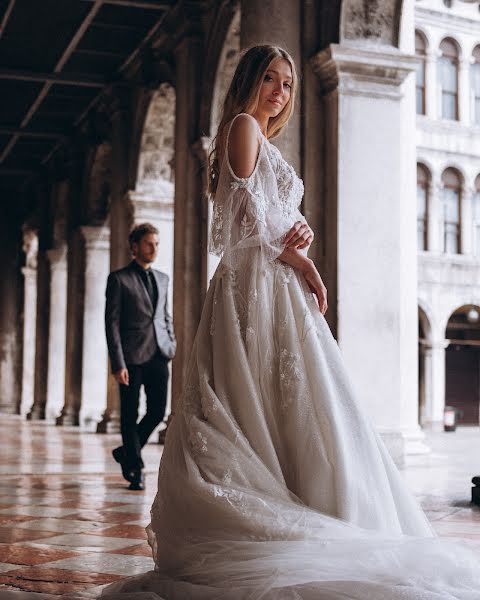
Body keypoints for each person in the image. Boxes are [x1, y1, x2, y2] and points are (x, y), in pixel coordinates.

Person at [102, 46, 480, 598]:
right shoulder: (241, 125)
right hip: (258, 284)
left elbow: (263, 214)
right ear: (249, 81)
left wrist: (298, 235)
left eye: (288, 85)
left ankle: (308, 494)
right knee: (265, 398)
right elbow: (250, 220)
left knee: (294, 400)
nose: (280, 92)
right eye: (271, 79)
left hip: (267, 283)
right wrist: (301, 256)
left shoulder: (257, 135)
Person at [105, 223, 176, 491]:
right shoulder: (119, 279)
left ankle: (126, 451)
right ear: (135, 247)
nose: (154, 248)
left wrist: (171, 342)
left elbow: (165, 316)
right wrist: (117, 362)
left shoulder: (162, 278)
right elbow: (111, 323)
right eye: (149, 243)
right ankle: (134, 468)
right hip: (131, 357)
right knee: (129, 412)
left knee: (158, 411)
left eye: (157, 243)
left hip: (159, 354)